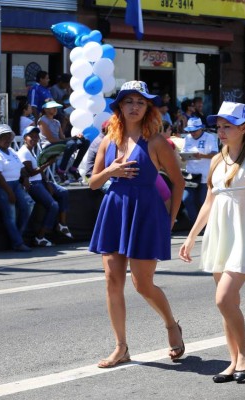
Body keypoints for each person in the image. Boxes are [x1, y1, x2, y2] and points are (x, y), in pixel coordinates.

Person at [88, 81, 185, 368]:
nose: (134, 106)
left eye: (140, 102)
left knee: (143, 284)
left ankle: (171, 324)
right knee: (112, 281)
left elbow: (178, 183)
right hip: (114, 210)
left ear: (148, 108)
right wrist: (111, 170)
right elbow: (93, 183)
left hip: (145, 213)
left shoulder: (156, 142)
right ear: (119, 106)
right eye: (128, 101)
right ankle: (121, 347)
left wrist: (170, 219)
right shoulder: (108, 140)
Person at [178, 101, 245, 384]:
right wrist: (192, 236)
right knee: (229, 302)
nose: (220, 130)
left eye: (227, 125)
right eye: (218, 126)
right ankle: (233, 361)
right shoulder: (217, 159)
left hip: (244, 233)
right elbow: (210, 199)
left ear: (243, 128)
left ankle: (244, 353)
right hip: (219, 232)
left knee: (223, 299)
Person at [18, 126, 72, 246]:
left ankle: (61, 224)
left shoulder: (32, 150)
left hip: (40, 182)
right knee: (53, 205)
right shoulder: (23, 152)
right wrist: (48, 163)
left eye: (36, 136)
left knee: (63, 192)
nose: (34, 138)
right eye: (31, 136)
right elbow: (31, 172)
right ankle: (40, 237)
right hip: (33, 184)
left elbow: (39, 169)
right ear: (24, 138)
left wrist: (47, 182)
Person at [0, 124, 34, 252]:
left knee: (28, 206)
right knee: (10, 214)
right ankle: (18, 242)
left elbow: (21, 167)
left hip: (16, 184)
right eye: (3, 137)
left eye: (8, 137)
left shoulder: (11, 151)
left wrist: (26, 178)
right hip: (2, 186)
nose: (7, 140)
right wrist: (9, 192)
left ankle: (17, 235)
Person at [39, 100, 90, 183]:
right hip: (48, 146)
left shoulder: (57, 122)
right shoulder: (42, 121)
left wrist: (75, 137)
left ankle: (73, 169)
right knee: (71, 144)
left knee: (85, 142)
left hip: (59, 144)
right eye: (53, 108)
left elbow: (62, 138)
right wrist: (69, 141)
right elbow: (50, 139)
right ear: (46, 109)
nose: (55, 109)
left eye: (56, 107)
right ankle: (61, 171)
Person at [182, 117, 219, 224]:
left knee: (203, 201)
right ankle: (196, 224)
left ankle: (207, 224)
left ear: (201, 129)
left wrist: (202, 155)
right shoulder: (187, 138)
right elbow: (184, 154)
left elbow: (215, 154)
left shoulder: (210, 137)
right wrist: (183, 157)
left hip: (205, 175)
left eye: (194, 130)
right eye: (190, 131)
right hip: (190, 175)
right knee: (187, 199)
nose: (192, 133)